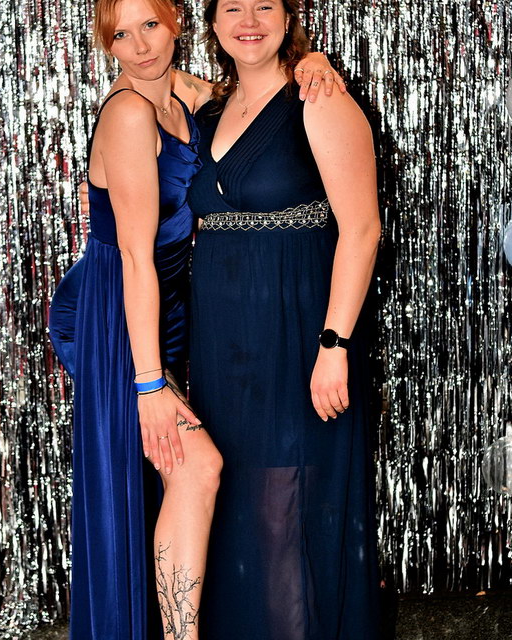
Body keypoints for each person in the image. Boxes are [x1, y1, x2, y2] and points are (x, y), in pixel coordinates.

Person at [59, 0, 341, 637]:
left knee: (178, 476)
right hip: (118, 313)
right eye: (120, 35)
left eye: (150, 26)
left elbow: (258, 90)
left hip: (168, 309)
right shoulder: (130, 113)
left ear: (178, 22)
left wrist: (313, 62)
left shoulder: (185, 94)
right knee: (195, 466)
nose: (140, 47)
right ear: (106, 44)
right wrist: (149, 384)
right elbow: (135, 258)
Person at [186, 0, 382, 638]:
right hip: (223, 344)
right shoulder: (208, 110)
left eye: (264, 5)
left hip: (298, 335)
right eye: (233, 7)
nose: (249, 19)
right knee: (240, 509)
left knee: (287, 511)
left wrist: (334, 345)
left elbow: (362, 229)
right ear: (213, 22)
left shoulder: (318, 100)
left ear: (289, 15)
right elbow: (142, 69)